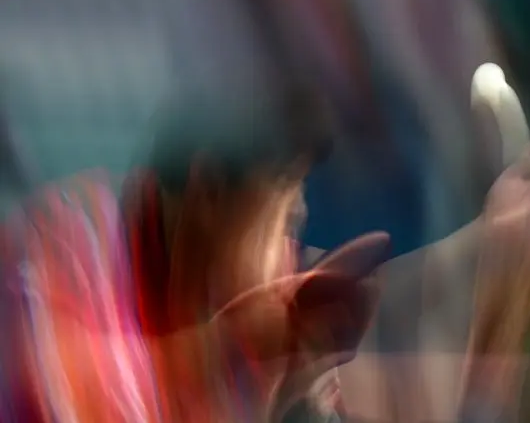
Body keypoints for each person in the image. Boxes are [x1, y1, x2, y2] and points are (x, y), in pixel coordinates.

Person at [0, 84, 389, 422]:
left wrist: (296, 399)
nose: (289, 256)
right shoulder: (63, 240)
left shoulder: (244, 333)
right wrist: (234, 349)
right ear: (210, 190)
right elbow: (49, 383)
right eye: (285, 219)